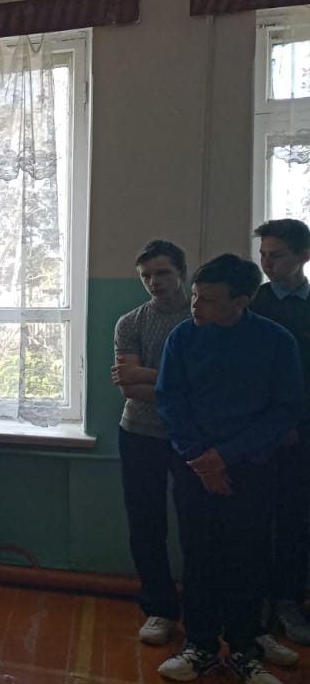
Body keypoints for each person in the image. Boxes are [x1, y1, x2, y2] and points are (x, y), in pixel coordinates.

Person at [156, 254, 302, 684]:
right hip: (194, 467)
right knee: (198, 557)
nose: (195, 306)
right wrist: (202, 460)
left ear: (241, 302)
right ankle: (200, 645)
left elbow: (285, 409)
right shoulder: (183, 337)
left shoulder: (276, 341)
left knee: (249, 558)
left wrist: (226, 456)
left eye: (208, 300)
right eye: (195, 296)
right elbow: (170, 402)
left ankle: (243, 649)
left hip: (252, 468)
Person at [111, 240, 190, 645]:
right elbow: (128, 387)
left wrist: (147, 375)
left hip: (192, 436)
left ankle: (203, 608)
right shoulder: (131, 322)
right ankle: (160, 608)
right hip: (139, 433)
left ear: (181, 273)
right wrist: (178, 384)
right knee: (146, 524)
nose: (154, 282)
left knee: (198, 525)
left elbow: (204, 386)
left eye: (162, 273)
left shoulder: (201, 319)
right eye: (146, 276)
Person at [251, 219, 310, 645]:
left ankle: (288, 600)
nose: (268, 263)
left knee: (295, 519)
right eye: (263, 255)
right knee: (252, 518)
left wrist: (292, 423)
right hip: (255, 432)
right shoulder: (252, 302)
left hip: (302, 433)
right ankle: (254, 601)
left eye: (277, 255)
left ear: (303, 256)